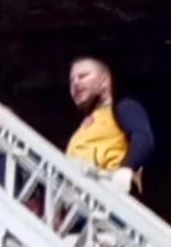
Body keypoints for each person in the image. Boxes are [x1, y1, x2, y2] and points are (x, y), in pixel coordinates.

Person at [65, 57, 155, 197]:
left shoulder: (124, 108)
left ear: (105, 81)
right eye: (72, 80)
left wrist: (126, 169)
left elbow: (143, 138)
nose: (75, 82)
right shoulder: (78, 133)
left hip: (110, 198)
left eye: (83, 76)